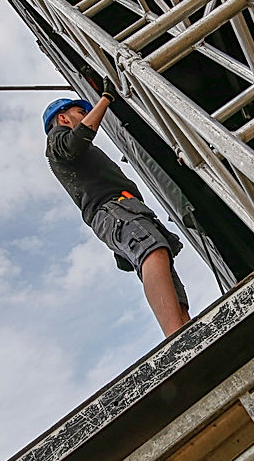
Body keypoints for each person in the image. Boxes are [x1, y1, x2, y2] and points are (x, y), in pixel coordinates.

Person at [44, 90, 192, 337]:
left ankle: (185, 328)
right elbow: (75, 142)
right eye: (81, 112)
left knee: (162, 264)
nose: (87, 115)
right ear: (63, 119)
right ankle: (176, 333)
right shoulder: (56, 140)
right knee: (152, 252)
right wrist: (105, 98)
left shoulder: (74, 149)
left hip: (124, 209)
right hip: (114, 210)